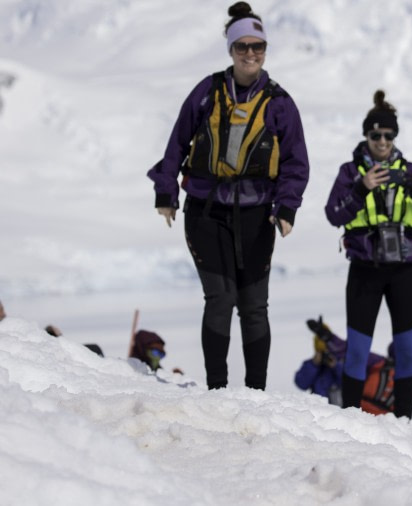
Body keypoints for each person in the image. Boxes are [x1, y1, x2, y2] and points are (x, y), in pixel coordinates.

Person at [147, 2, 310, 390]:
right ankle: (217, 391)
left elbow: (295, 162)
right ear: (231, 50)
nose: (250, 54)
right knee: (220, 300)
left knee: (254, 307)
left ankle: (256, 393)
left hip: (257, 217)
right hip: (205, 212)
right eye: (243, 47)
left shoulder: (279, 103)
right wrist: (165, 191)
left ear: (265, 50)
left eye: (258, 46)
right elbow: (177, 144)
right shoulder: (207, 93)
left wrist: (287, 206)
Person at [325, 91, 412, 418]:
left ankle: (403, 422)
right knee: (357, 352)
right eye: (375, 135)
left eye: (388, 135)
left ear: (395, 136)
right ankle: (350, 419)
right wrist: (360, 189)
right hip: (365, 271)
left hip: (405, 272)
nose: (381, 141)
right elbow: (334, 215)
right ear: (366, 136)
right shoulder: (349, 173)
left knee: (407, 351)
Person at [295, 317, 412, 430]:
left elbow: (350, 350)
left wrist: (329, 338)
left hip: (359, 421)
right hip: (380, 429)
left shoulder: (379, 362)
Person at [0, 299, 104, 356]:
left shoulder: (10, 324)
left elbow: (30, 338)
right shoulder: (5, 329)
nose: (4, 312)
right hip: (54, 353)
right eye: (1, 309)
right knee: (94, 349)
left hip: (52, 347)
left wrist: (50, 333)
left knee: (94, 348)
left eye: (3, 308)